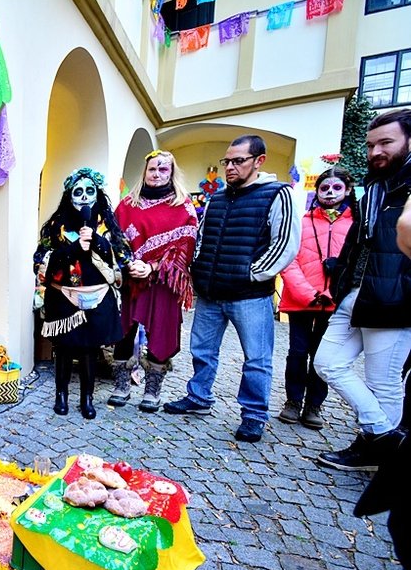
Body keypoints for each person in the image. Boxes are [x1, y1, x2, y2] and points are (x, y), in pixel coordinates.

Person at [164, 134, 300, 443]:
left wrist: (252, 274)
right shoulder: (219, 197)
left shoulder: (277, 193)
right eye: (228, 161)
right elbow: (202, 237)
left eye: (238, 161)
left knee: (256, 358)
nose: (230, 167)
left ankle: (253, 415)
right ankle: (198, 397)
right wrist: (197, 270)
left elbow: (285, 244)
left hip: (249, 295)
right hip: (211, 293)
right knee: (202, 350)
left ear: (258, 161)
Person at [313, 109, 411, 470]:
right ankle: (387, 439)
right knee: (327, 363)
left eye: (386, 142)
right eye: (371, 145)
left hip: (394, 298)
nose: (375, 151)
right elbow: (361, 240)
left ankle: (375, 449)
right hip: (357, 292)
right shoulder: (375, 186)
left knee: (383, 381)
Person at [108, 150, 198, 412]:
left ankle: (152, 391)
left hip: (163, 283)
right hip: (130, 281)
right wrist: (128, 265)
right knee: (124, 333)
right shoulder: (127, 205)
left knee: (161, 333)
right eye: (152, 169)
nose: (157, 174)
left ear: (172, 173)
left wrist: (153, 267)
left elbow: (186, 247)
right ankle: (121, 386)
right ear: (144, 172)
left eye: (163, 170)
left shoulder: (183, 207)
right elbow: (115, 240)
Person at [35, 167, 126, 419]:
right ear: (69, 196)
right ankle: (61, 395)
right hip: (63, 298)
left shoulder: (108, 225)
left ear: (97, 194)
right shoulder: (55, 227)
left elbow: (122, 258)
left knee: (89, 350)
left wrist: (98, 241)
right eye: (78, 192)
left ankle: (87, 398)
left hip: (96, 299)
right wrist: (72, 249)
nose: (84, 197)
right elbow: (39, 262)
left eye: (89, 191)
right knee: (63, 348)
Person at [275, 167, 356, 430]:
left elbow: (357, 264)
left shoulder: (355, 225)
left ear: (347, 190)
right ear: (317, 191)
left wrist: (336, 286)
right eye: (324, 188)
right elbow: (290, 261)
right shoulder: (302, 221)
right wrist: (310, 293)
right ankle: (292, 401)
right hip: (302, 300)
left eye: (336, 188)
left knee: (322, 355)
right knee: (297, 352)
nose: (330, 193)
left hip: (335, 303)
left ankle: (314, 405)